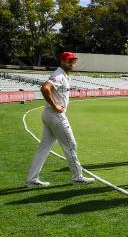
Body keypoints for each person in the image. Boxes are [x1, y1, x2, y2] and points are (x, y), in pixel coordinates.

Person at [25, 52, 95, 187]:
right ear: (62, 61)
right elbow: (45, 88)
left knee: (44, 147)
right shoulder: (59, 75)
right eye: (69, 61)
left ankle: (31, 179)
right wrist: (55, 105)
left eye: (73, 61)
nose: (72, 63)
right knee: (71, 145)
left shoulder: (64, 75)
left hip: (49, 115)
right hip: (55, 115)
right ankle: (77, 176)